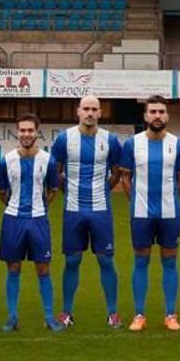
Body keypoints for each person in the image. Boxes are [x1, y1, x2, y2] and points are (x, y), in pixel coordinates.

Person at [119, 95, 180, 331]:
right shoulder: (132, 144)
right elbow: (125, 178)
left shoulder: (178, 145)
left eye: (161, 112)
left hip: (170, 213)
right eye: (153, 112)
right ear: (145, 116)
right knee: (141, 261)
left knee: (170, 261)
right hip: (141, 213)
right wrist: (136, 202)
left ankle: (171, 314)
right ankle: (139, 314)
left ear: (167, 116)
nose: (157, 116)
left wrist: (170, 199)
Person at [52, 95, 123, 329]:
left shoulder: (110, 140)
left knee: (106, 260)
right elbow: (57, 172)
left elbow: (116, 172)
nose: (90, 113)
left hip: (101, 210)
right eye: (86, 109)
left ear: (100, 112)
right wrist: (71, 191)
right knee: (72, 260)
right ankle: (66, 312)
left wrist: (102, 189)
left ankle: (112, 313)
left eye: (94, 109)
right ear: (78, 111)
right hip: (73, 210)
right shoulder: (64, 139)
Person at [0, 113, 64, 333]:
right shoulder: (7, 160)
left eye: (30, 130)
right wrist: (16, 207)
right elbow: (2, 192)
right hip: (13, 219)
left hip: (38, 220)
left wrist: (40, 207)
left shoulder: (48, 160)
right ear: (17, 132)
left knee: (43, 268)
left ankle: (49, 317)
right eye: (22, 130)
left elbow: (53, 189)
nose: (26, 134)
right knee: (13, 267)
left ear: (37, 132)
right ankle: (12, 317)